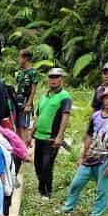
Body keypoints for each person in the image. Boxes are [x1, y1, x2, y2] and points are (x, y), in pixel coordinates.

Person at [63, 83, 108, 216]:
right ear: (102, 99)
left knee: (102, 190)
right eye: (107, 98)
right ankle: (67, 208)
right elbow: (89, 136)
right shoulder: (96, 116)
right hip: (91, 156)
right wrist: (83, 155)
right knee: (76, 183)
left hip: (106, 158)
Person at [33, 67, 72, 198]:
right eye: (51, 77)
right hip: (39, 136)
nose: (53, 80)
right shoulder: (44, 96)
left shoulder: (65, 97)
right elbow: (38, 115)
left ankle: (47, 192)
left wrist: (60, 136)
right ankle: (41, 189)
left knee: (46, 166)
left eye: (56, 77)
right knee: (38, 165)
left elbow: (65, 117)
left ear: (62, 79)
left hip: (52, 138)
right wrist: (31, 133)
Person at [13, 49, 39, 143]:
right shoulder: (20, 72)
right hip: (17, 100)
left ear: (26, 58)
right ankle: (19, 147)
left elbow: (33, 89)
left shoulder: (33, 72)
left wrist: (28, 104)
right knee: (18, 124)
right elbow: (16, 86)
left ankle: (25, 147)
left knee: (24, 125)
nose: (18, 60)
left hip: (26, 100)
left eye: (20, 57)